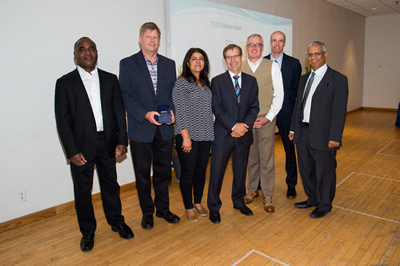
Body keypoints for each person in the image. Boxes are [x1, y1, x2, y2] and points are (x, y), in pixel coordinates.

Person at [55, 37, 134, 252]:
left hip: (107, 143)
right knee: (82, 191)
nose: (87, 52)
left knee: (111, 187)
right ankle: (88, 232)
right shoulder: (64, 83)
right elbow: (62, 121)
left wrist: (121, 140)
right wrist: (71, 151)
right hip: (80, 147)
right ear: (75, 55)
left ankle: (117, 222)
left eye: (91, 49)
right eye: (82, 49)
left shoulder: (110, 79)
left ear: (96, 52)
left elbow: (119, 112)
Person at [119, 22, 180, 229]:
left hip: (164, 129)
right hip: (140, 129)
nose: (152, 40)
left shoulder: (169, 64)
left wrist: (172, 111)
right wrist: (145, 114)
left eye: (156, 37)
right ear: (140, 39)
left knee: (163, 173)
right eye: (148, 36)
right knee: (143, 175)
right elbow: (125, 96)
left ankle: (163, 209)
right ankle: (147, 213)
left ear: (159, 41)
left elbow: (173, 94)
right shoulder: (127, 64)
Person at [289, 41, 348, 218]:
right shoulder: (304, 79)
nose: (313, 58)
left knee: (325, 171)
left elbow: (339, 111)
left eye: (317, 54)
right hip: (303, 132)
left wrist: (335, 136)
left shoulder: (338, 79)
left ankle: (324, 204)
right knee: (306, 170)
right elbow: (297, 106)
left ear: (325, 55)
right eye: (310, 55)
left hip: (324, 135)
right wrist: (293, 128)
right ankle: (313, 198)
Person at [207, 44, 259, 224]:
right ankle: (213, 207)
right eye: (228, 57)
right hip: (223, 135)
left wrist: (243, 126)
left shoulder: (252, 81)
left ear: (241, 57)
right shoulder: (217, 81)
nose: (232, 60)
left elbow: (255, 107)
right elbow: (217, 108)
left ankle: (238, 201)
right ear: (225, 60)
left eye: (235, 56)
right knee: (217, 173)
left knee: (240, 171)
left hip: (243, 134)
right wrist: (233, 126)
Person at [241, 34, 283, 212]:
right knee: (251, 157)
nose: (254, 47)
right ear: (246, 48)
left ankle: (267, 194)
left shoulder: (272, 66)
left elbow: (279, 95)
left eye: (258, 45)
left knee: (266, 158)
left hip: (266, 118)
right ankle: (252, 190)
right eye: (251, 45)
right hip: (246, 120)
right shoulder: (240, 66)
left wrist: (268, 117)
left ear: (263, 47)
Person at [172, 48, 214, 223]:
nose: (198, 61)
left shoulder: (205, 83)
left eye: (201, 58)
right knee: (187, 173)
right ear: (187, 63)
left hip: (205, 135)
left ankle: (198, 202)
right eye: (194, 58)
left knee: (200, 172)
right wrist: (186, 137)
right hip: (188, 136)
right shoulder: (181, 83)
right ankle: (188, 206)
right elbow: (179, 111)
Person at [265, 31, 302, 199]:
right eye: (274, 40)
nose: (277, 44)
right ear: (270, 42)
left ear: (284, 43)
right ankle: (259, 184)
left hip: (286, 113)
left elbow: (296, 94)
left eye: (280, 41)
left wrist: (295, 119)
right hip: (266, 113)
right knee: (263, 150)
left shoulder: (294, 64)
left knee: (289, 150)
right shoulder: (262, 62)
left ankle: (291, 184)